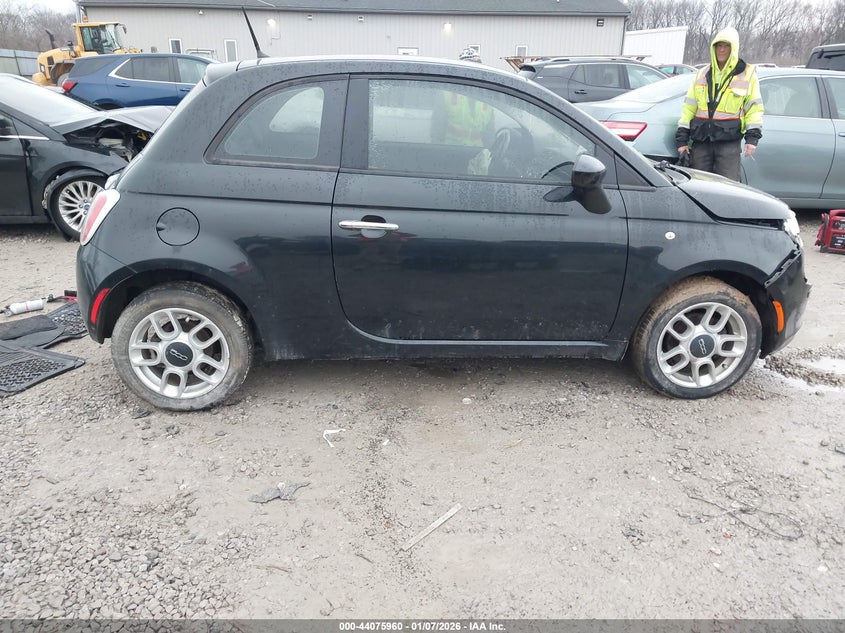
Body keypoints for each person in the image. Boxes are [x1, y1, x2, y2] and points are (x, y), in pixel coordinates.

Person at [675, 27, 763, 181]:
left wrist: (752, 139)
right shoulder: (702, 73)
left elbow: (754, 108)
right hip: (701, 141)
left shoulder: (747, 74)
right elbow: (689, 108)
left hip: (728, 143)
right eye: (718, 46)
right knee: (698, 186)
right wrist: (682, 140)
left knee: (727, 187)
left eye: (726, 46)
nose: (721, 50)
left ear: (733, 48)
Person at [430, 47, 495, 148]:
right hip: (451, 151)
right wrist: (437, 152)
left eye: (476, 65)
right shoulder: (447, 94)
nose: (473, 70)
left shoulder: (487, 97)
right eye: (468, 66)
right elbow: (437, 128)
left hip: (477, 153)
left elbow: (490, 132)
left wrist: (489, 154)